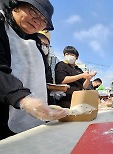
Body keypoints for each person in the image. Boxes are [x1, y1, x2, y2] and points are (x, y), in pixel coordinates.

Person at [0, 0, 69, 140]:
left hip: (35, 121)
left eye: (44, 21)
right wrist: (23, 99)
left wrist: (51, 106)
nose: (38, 22)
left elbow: (42, 79)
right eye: (34, 13)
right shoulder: (2, 26)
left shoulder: (35, 43)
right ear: (16, 5)